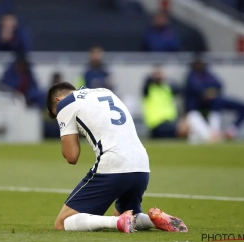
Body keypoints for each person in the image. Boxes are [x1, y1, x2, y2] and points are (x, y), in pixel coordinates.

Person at [46, 82, 188, 233]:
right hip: (142, 164)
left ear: (57, 100)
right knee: (124, 213)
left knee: (62, 223)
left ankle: (117, 222)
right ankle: (152, 220)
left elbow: (71, 156)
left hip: (114, 163)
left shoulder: (65, 104)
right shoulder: (105, 92)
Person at [185, 58, 244, 140]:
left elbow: (219, 84)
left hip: (215, 101)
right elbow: (196, 88)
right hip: (199, 104)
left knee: (241, 107)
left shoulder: (207, 74)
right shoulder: (191, 76)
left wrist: (211, 91)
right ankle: (214, 131)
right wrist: (205, 92)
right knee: (197, 116)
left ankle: (231, 131)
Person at [142, 67, 188, 138]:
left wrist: (167, 79)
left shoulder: (167, 88)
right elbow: (146, 82)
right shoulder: (148, 89)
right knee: (181, 131)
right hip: (156, 123)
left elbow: (181, 89)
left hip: (170, 121)